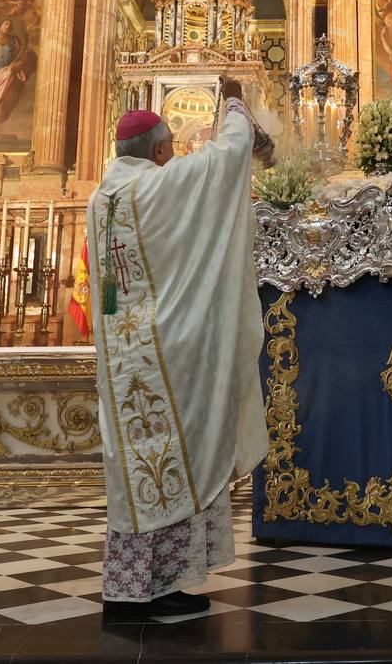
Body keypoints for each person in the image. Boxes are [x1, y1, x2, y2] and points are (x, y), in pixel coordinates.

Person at [86, 78, 269, 618]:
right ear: (161, 150)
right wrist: (233, 99)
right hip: (169, 355)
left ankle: (141, 585)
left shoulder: (103, 199)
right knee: (176, 459)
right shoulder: (157, 186)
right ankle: (149, 591)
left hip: (124, 358)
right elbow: (230, 154)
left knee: (138, 468)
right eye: (170, 149)